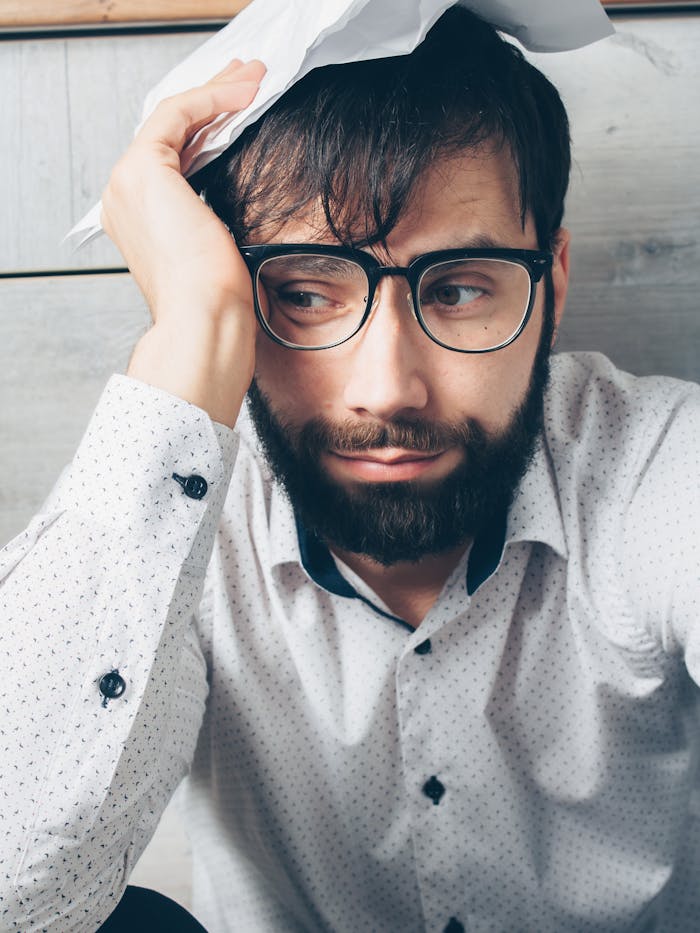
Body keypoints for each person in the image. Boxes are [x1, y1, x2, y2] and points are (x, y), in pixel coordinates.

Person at [1, 6, 698, 932]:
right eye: (301, 292)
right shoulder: (169, 513)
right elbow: (18, 886)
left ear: (552, 285)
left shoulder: (655, 463)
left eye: (456, 288)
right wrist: (191, 333)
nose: (388, 389)